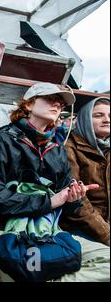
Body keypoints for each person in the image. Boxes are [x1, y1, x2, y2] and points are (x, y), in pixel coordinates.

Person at [0, 82, 110, 281]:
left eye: (60, 104)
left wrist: (73, 199)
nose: (57, 105)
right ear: (28, 105)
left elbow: (66, 205)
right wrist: (50, 202)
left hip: (48, 228)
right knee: (30, 270)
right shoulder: (1, 141)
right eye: (51, 99)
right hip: (6, 229)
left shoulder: (57, 149)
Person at [60, 97, 110, 246]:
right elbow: (77, 203)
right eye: (98, 115)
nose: (107, 120)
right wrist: (107, 235)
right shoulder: (68, 147)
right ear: (85, 119)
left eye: (110, 115)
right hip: (81, 227)